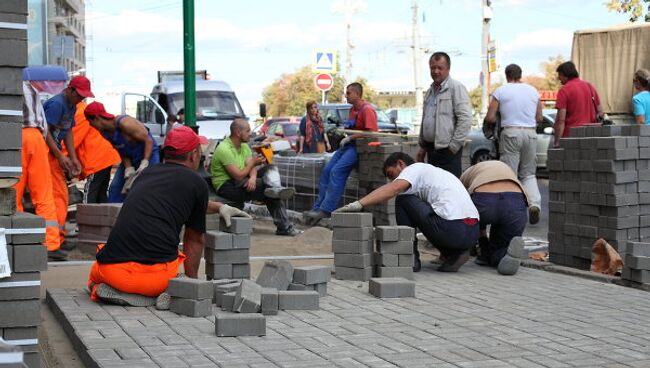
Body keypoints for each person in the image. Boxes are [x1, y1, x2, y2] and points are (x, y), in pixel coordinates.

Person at [87, 126, 250, 306]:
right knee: (175, 268)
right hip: (156, 279)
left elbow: (176, 203)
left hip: (111, 272)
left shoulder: (146, 175)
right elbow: (194, 240)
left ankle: (108, 289)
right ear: (194, 155)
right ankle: (157, 294)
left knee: (96, 275)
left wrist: (219, 207)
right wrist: (192, 286)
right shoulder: (197, 183)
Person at [336, 152, 480, 273]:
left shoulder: (414, 168)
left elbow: (394, 189)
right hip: (472, 232)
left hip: (452, 228)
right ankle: (454, 254)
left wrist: (358, 204)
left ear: (400, 164)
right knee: (426, 209)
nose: (393, 180)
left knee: (403, 200)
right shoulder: (436, 174)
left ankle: (410, 258)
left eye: (391, 175)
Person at [211, 118, 301, 236]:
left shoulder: (244, 146)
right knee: (266, 188)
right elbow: (238, 175)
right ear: (238, 133)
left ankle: (276, 189)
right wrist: (253, 164)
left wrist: (253, 178)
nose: (250, 134)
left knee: (270, 168)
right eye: (248, 131)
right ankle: (284, 226)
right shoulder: (224, 149)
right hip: (226, 185)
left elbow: (251, 166)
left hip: (241, 179)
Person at [304, 83, 378, 224]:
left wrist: (351, 137)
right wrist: (345, 134)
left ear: (357, 94)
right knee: (327, 170)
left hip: (360, 148)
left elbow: (371, 133)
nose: (346, 96)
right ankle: (317, 208)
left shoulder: (367, 110)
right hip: (349, 145)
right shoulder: (352, 110)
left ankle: (326, 210)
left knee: (337, 172)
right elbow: (351, 126)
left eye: (349, 93)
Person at [42, 76, 94, 260]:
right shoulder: (57, 104)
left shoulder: (71, 105)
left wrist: (72, 158)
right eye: (79, 95)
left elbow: (68, 131)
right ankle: (52, 243)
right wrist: (60, 155)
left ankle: (56, 239)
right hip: (44, 154)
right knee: (55, 196)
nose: (81, 100)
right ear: (70, 90)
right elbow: (45, 132)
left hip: (51, 154)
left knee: (60, 196)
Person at [485, 64, 543, 225]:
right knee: (529, 174)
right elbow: (539, 117)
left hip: (511, 133)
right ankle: (534, 204)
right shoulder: (533, 91)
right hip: (531, 134)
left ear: (507, 75)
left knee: (509, 174)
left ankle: (510, 210)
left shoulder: (501, 91)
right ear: (520, 74)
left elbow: (490, 118)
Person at [14, 76, 61, 259]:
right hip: (36, 137)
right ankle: (50, 242)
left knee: (12, 193)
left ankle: (14, 238)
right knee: (43, 193)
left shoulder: (5, 87)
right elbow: (42, 119)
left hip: (14, 139)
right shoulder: (30, 87)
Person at [460, 160, 528, 275]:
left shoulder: (470, 171)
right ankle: (504, 254)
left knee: (470, 216)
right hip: (515, 202)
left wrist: (479, 232)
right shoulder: (506, 167)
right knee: (502, 245)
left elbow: (458, 193)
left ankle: (482, 251)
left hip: (485, 201)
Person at [84, 101, 160, 203]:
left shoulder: (125, 123)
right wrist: (128, 168)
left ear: (97, 118)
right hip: (131, 158)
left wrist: (145, 162)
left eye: (90, 122)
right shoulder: (104, 133)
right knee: (115, 189)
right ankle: (116, 217)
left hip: (148, 155)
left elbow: (148, 141)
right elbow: (122, 149)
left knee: (146, 190)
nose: (90, 125)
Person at [417, 52, 473, 178]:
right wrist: (423, 147)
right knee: (434, 187)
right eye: (433, 67)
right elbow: (426, 119)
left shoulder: (456, 88)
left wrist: (453, 146)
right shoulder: (430, 91)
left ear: (448, 69)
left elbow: (466, 119)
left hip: (448, 152)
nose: (436, 71)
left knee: (449, 189)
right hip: (432, 150)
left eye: (440, 68)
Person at [66, 100, 121, 204]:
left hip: (96, 159)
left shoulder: (79, 112)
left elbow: (73, 139)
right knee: (101, 192)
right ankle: (103, 217)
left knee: (91, 190)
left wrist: (59, 157)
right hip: (105, 157)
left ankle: (87, 216)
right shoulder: (82, 110)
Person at [553, 61, 604, 145]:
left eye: (559, 75)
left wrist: (557, 142)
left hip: (571, 138)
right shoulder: (589, 86)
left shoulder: (564, 90)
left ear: (565, 74)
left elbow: (561, 120)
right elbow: (600, 111)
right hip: (591, 136)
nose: (559, 78)